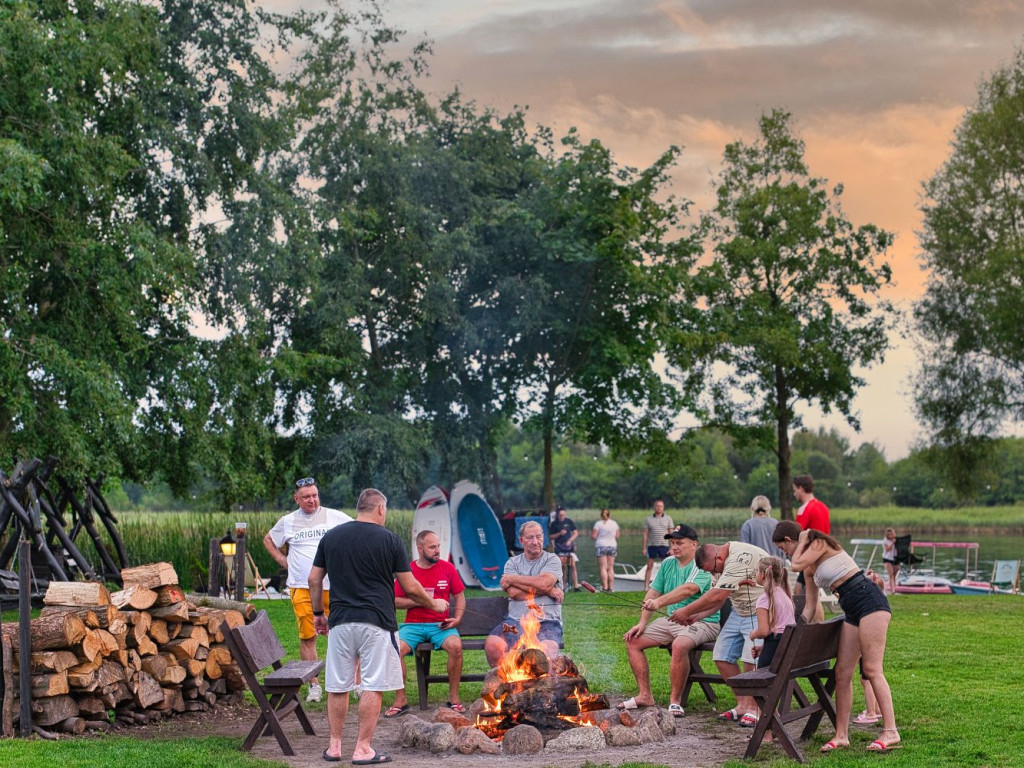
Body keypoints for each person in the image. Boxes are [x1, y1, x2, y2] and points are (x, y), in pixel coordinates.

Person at [309, 488, 448, 764]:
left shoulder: (332, 537)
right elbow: (410, 586)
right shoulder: (390, 540)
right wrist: (434, 604)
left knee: (337, 686)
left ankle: (334, 747)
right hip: (377, 623)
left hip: (340, 622)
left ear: (359, 507)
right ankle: (362, 749)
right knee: (373, 684)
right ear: (380, 509)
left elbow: (314, 579)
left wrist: (317, 614)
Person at [771, 520, 901, 753]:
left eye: (783, 548)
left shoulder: (819, 543)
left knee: (872, 669)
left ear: (792, 540)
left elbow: (795, 564)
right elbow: (811, 607)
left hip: (869, 600)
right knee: (842, 673)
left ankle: (891, 731)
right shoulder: (809, 568)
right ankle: (841, 735)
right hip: (849, 607)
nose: (785, 554)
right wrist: (796, 628)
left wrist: (803, 539)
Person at [263, 476, 352, 702]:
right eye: (305, 497)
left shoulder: (335, 516)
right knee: (308, 635)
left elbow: (356, 533)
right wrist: (284, 561)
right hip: (301, 587)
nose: (311, 500)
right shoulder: (288, 521)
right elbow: (268, 540)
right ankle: (314, 685)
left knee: (344, 634)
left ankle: (352, 682)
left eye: (314, 495)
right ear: (296, 499)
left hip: (334, 586)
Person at [618, 524, 720, 717]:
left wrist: (659, 602)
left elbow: (688, 590)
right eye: (672, 543)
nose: (674, 547)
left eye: (679, 543)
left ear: (694, 544)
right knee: (633, 640)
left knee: (679, 645)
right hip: (672, 620)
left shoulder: (701, 564)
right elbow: (654, 591)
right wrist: (642, 622)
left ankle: (675, 701)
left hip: (703, 622)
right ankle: (645, 695)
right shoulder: (667, 564)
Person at [667, 539, 769, 727]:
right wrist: (697, 615)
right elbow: (719, 598)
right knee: (722, 656)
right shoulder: (718, 564)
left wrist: (686, 611)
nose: (713, 574)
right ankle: (742, 704)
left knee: (750, 659)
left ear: (719, 557)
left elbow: (717, 595)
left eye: (713, 570)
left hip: (760, 610)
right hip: (739, 611)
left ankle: (755, 708)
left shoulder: (738, 559)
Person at [385, 530, 467, 718]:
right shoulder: (408, 571)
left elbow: (460, 597)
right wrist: (423, 600)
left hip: (441, 626)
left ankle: (454, 698)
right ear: (420, 548)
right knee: (394, 649)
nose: (437, 550)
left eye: (438, 546)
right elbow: (394, 601)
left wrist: (458, 618)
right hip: (413, 626)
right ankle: (401, 699)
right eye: (432, 547)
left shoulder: (448, 568)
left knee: (456, 646)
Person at [484, 521, 564, 666]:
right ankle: (505, 685)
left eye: (538, 537)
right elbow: (513, 593)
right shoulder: (512, 563)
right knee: (493, 645)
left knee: (547, 650)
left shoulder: (552, 560)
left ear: (543, 538)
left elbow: (543, 583)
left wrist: (513, 578)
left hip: (547, 622)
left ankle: (541, 688)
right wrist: (548, 591)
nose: (535, 542)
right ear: (521, 541)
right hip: (514, 622)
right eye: (530, 537)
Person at [791, 474, 830, 619]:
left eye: (795, 489)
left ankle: (812, 627)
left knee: (808, 594)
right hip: (823, 555)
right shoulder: (824, 507)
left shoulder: (804, 510)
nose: (794, 493)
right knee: (810, 592)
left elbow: (799, 536)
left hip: (810, 557)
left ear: (801, 488)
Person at [749, 556, 795, 669]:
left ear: (763, 574)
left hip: (773, 647)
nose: (755, 574)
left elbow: (764, 631)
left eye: (756, 571)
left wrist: (753, 634)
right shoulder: (785, 595)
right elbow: (779, 627)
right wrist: (763, 648)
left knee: (762, 681)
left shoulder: (764, 598)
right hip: (787, 645)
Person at [642, 499, 674, 590]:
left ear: (663, 507)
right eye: (657, 506)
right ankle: (646, 587)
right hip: (652, 545)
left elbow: (671, 534)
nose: (659, 508)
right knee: (649, 566)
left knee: (666, 566)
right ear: (654, 507)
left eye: (661, 506)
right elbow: (645, 534)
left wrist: (672, 548)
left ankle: (666, 586)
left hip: (664, 545)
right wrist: (644, 548)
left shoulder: (668, 518)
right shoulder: (649, 519)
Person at [549, 506, 580, 591]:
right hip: (559, 547)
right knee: (562, 567)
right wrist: (559, 533)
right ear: (557, 515)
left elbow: (576, 532)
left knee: (573, 566)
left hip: (569, 547)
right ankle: (562, 586)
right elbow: (550, 537)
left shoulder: (569, 521)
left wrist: (570, 540)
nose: (562, 517)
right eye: (560, 515)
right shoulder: (554, 524)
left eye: (563, 515)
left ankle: (576, 586)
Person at [591, 508, 620, 592]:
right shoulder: (614, 523)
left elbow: (594, 536)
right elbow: (617, 536)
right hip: (612, 546)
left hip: (601, 546)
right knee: (610, 568)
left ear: (601, 515)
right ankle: (611, 588)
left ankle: (605, 587)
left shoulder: (598, 524)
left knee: (603, 567)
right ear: (609, 514)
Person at [882, 528, 899, 594]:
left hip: (895, 558)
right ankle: (893, 591)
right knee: (891, 574)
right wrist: (892, 543)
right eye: (891, 534)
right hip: (887, 558)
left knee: (894, 574)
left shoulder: (896, 539)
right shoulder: (885, 541)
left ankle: (893, 587)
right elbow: (887, 549)